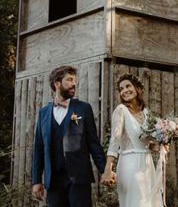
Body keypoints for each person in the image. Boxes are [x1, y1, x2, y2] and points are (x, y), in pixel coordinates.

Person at [31, 65, 110, 207]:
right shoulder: (43, 113)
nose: (74, 83)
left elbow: (93, 143)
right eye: (69, 80)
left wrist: (105, 171)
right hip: (54, 180)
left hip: (79, 178)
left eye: (74, 80)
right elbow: (38, 148)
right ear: (57, 84)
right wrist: (36, 180)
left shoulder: (83, 108)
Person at [101, 74, 165, 207]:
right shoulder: (121, 110)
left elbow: (146, 143)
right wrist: (108, 169)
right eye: (121, 89)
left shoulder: (146, 113)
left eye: (128, 86)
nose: (124, 90)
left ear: (137, 88)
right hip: (130, 164)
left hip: (147, 165)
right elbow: (115, 140)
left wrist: (161, 146)